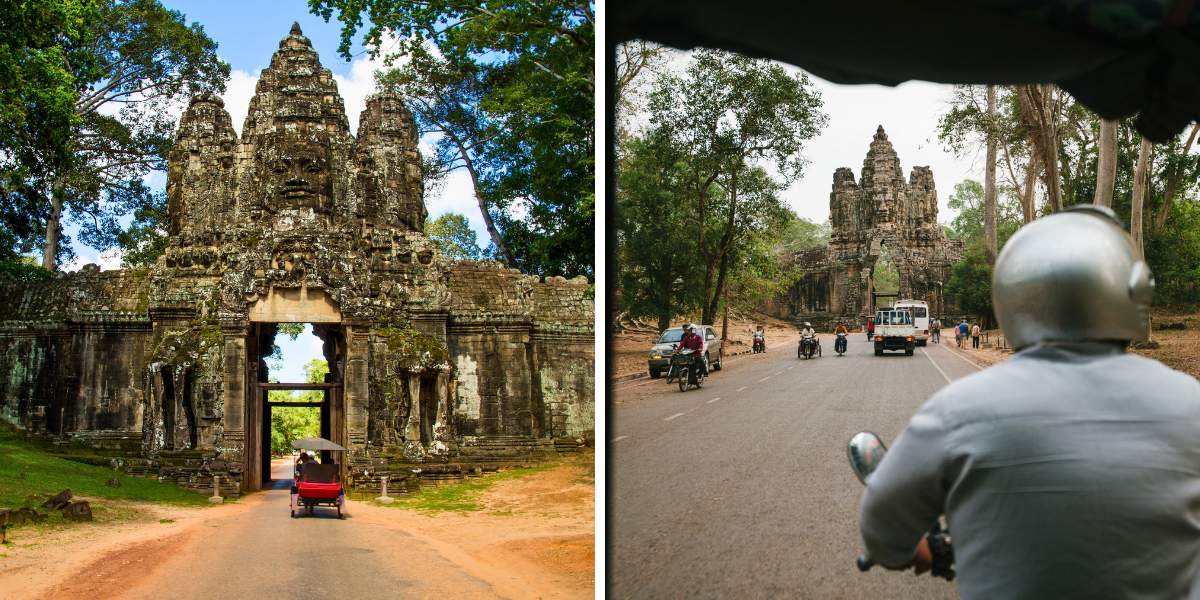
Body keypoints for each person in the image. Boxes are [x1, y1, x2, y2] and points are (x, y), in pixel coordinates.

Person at [856, 205, 1200, 600]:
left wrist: (927, 553)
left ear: (1011, 295)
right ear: (1134, 291)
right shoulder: (1189, 401)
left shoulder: (960, 410)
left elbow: (881, 529)